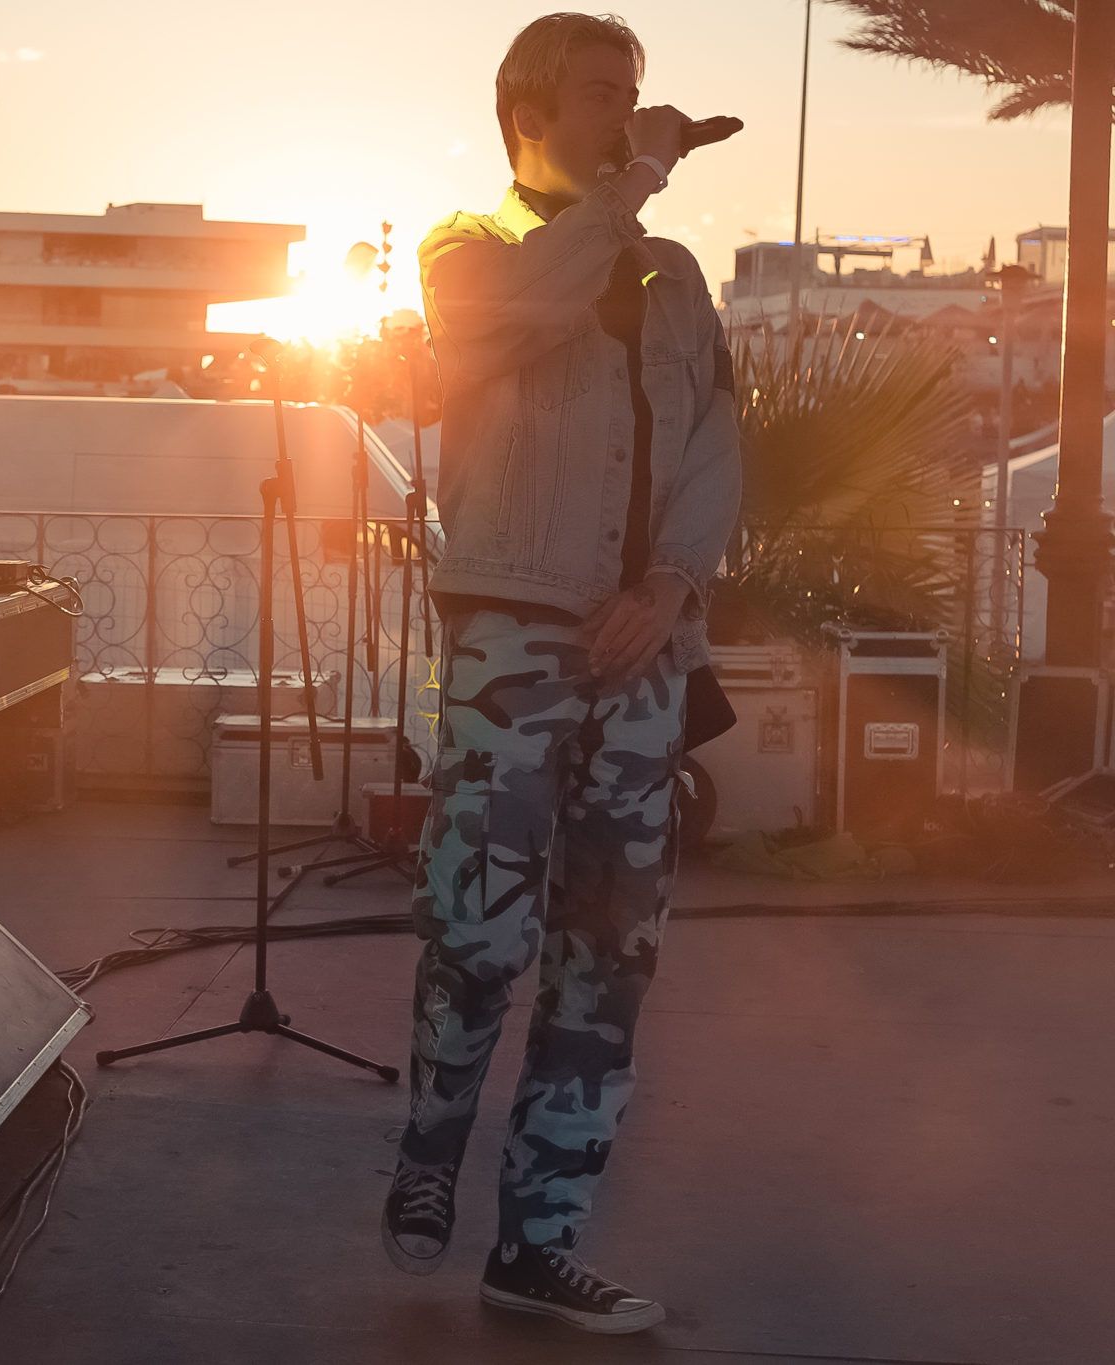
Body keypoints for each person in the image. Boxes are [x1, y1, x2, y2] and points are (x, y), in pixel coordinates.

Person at [379, 12, 741, 1335]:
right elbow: (521, 318)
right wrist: (631, 181)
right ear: (526, 114)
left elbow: (715, 440)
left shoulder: (674, 276)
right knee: (478, 926)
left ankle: (536, 1245)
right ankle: (432, 1151)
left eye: (632, 95)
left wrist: (672, 585)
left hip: (643, 646)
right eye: (598, 94)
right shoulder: (468, 249)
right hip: (509, 635)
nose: (625, 116)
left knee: (609, 952)